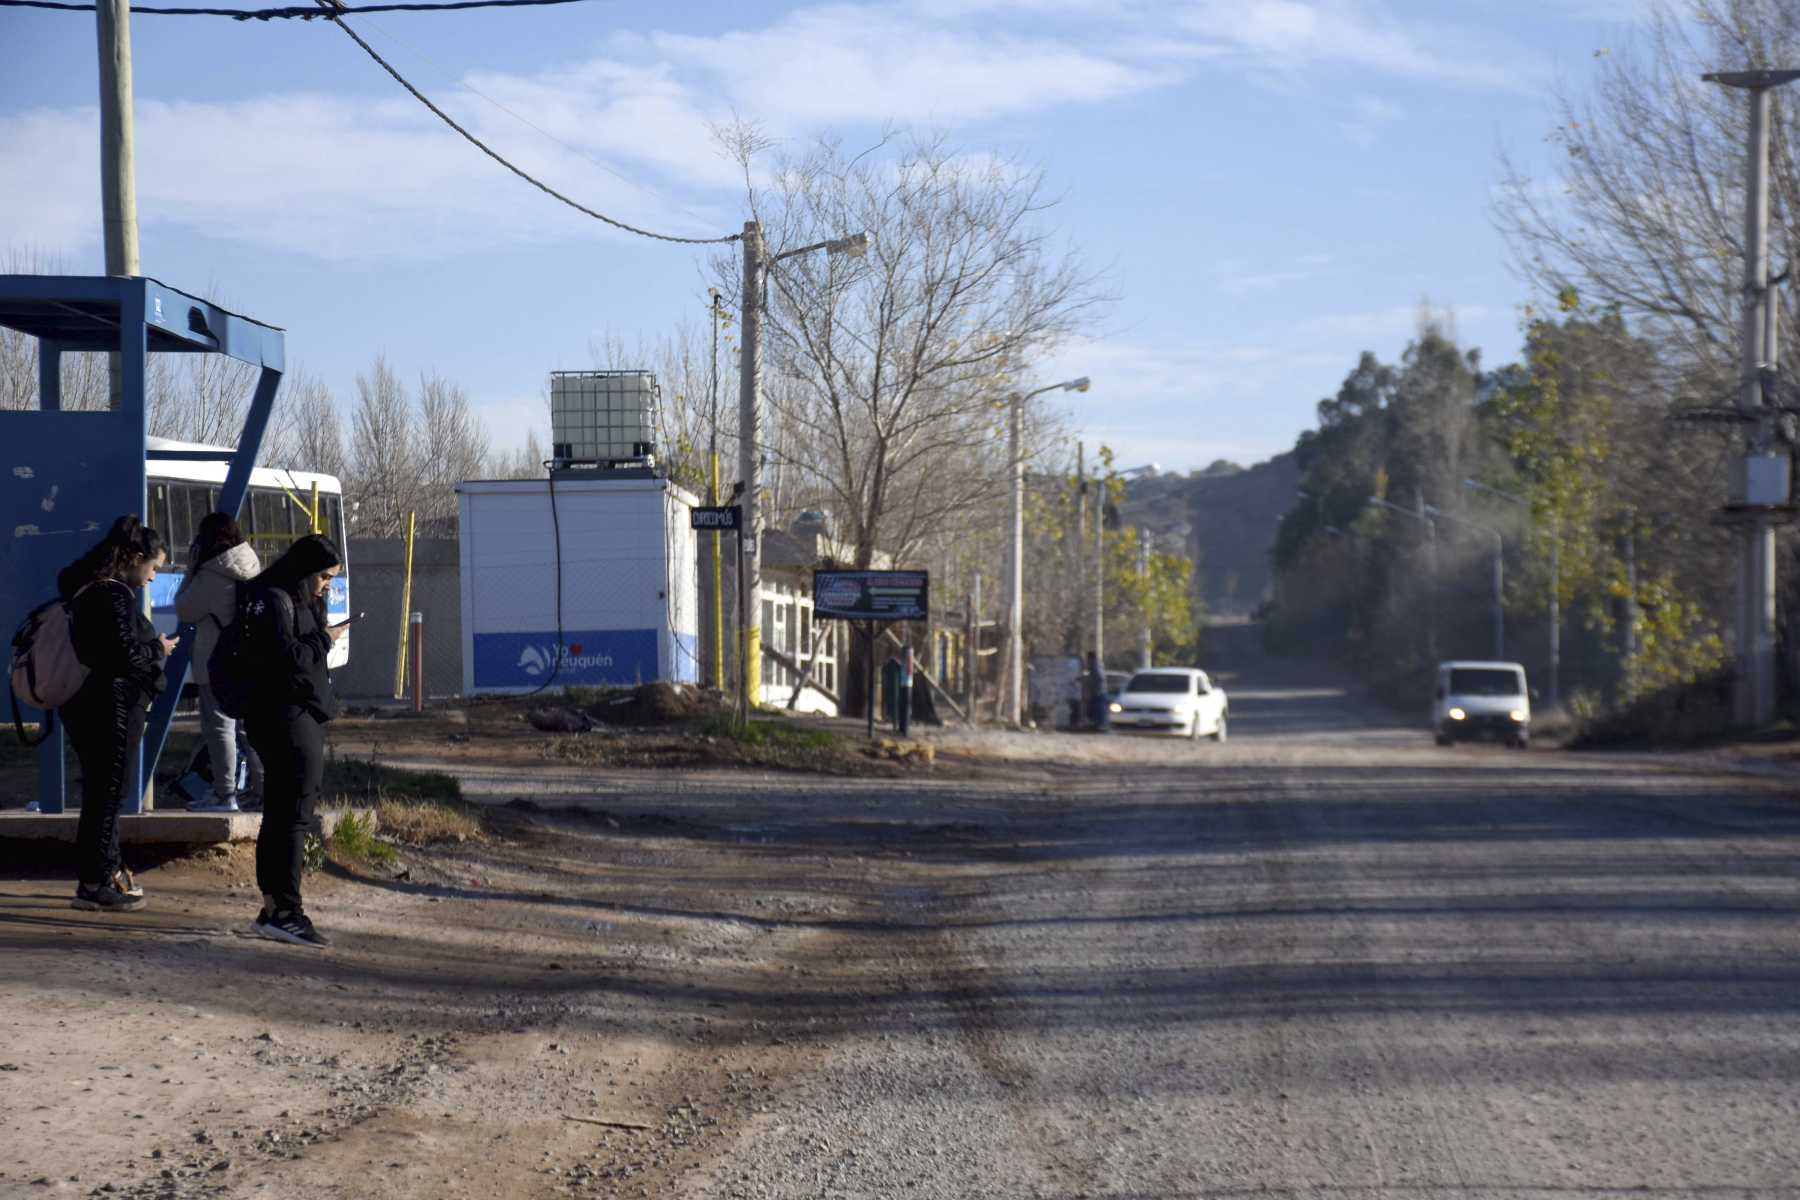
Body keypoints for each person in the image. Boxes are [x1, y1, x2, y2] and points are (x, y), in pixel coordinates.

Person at [57, 515, 176, 912]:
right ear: (136, 557)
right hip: (113, 707)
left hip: (84, 704)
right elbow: (125, 656)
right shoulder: (113, 595)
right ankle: (98, 879)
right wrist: (158, 649)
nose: (152, 578)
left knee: (100, 792)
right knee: (109, 794)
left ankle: (102, 872)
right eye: (153, 567)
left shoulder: (84, 585)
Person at [242, 534, 345, 947]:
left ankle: (274, 907)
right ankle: (286, 911)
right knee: (293, 817)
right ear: (303, 569)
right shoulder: (274, 601)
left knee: (281, 814)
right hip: (287, 717)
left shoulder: (284, 599)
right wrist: (325, 639)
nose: (326, 585)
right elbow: (290, 660)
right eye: (323, 576)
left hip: (290, 716)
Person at [174, 513, 263, 813]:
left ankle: (225, 795)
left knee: (220, 727)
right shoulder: (252, 565)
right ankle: (264, 791)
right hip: (251, 660)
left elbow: (184, 608)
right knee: (252, 730)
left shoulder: (210, 575)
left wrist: (191, 568)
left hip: (216, 662)